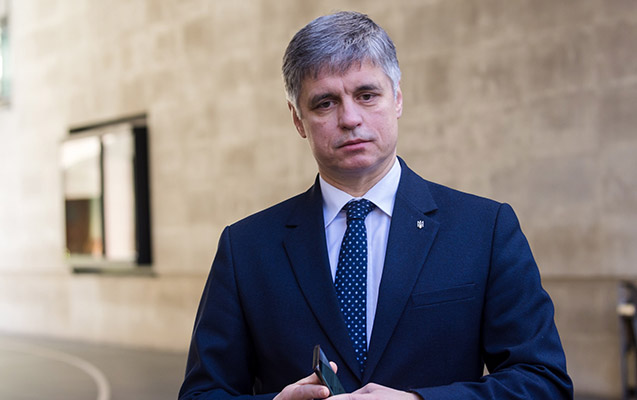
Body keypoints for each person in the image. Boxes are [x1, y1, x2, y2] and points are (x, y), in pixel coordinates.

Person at [179, 11, 573, 400]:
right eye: (325, 103)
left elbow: (544, 382)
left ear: (397, 98)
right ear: (298, 119)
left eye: (367, 95)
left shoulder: (485, 230)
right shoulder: (245, 248)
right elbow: (202, 394)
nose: (350, 118)